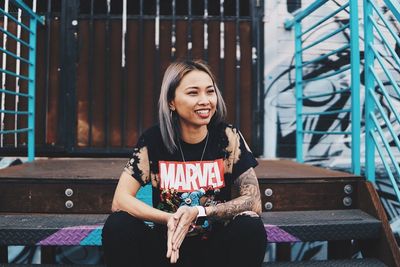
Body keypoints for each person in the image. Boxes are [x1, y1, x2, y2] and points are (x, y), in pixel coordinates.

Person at [102, 60, 267, 267]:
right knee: (118, 224)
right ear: (171, 101)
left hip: (214, 252)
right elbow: (120, 200)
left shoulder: (228, 137)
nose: (205, 100)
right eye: (193, 93)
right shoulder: (153, 141)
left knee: (250, 225)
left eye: (210, 91)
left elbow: (254, 201)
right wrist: (169, 218)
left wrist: (199, 212)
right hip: (167, 250)